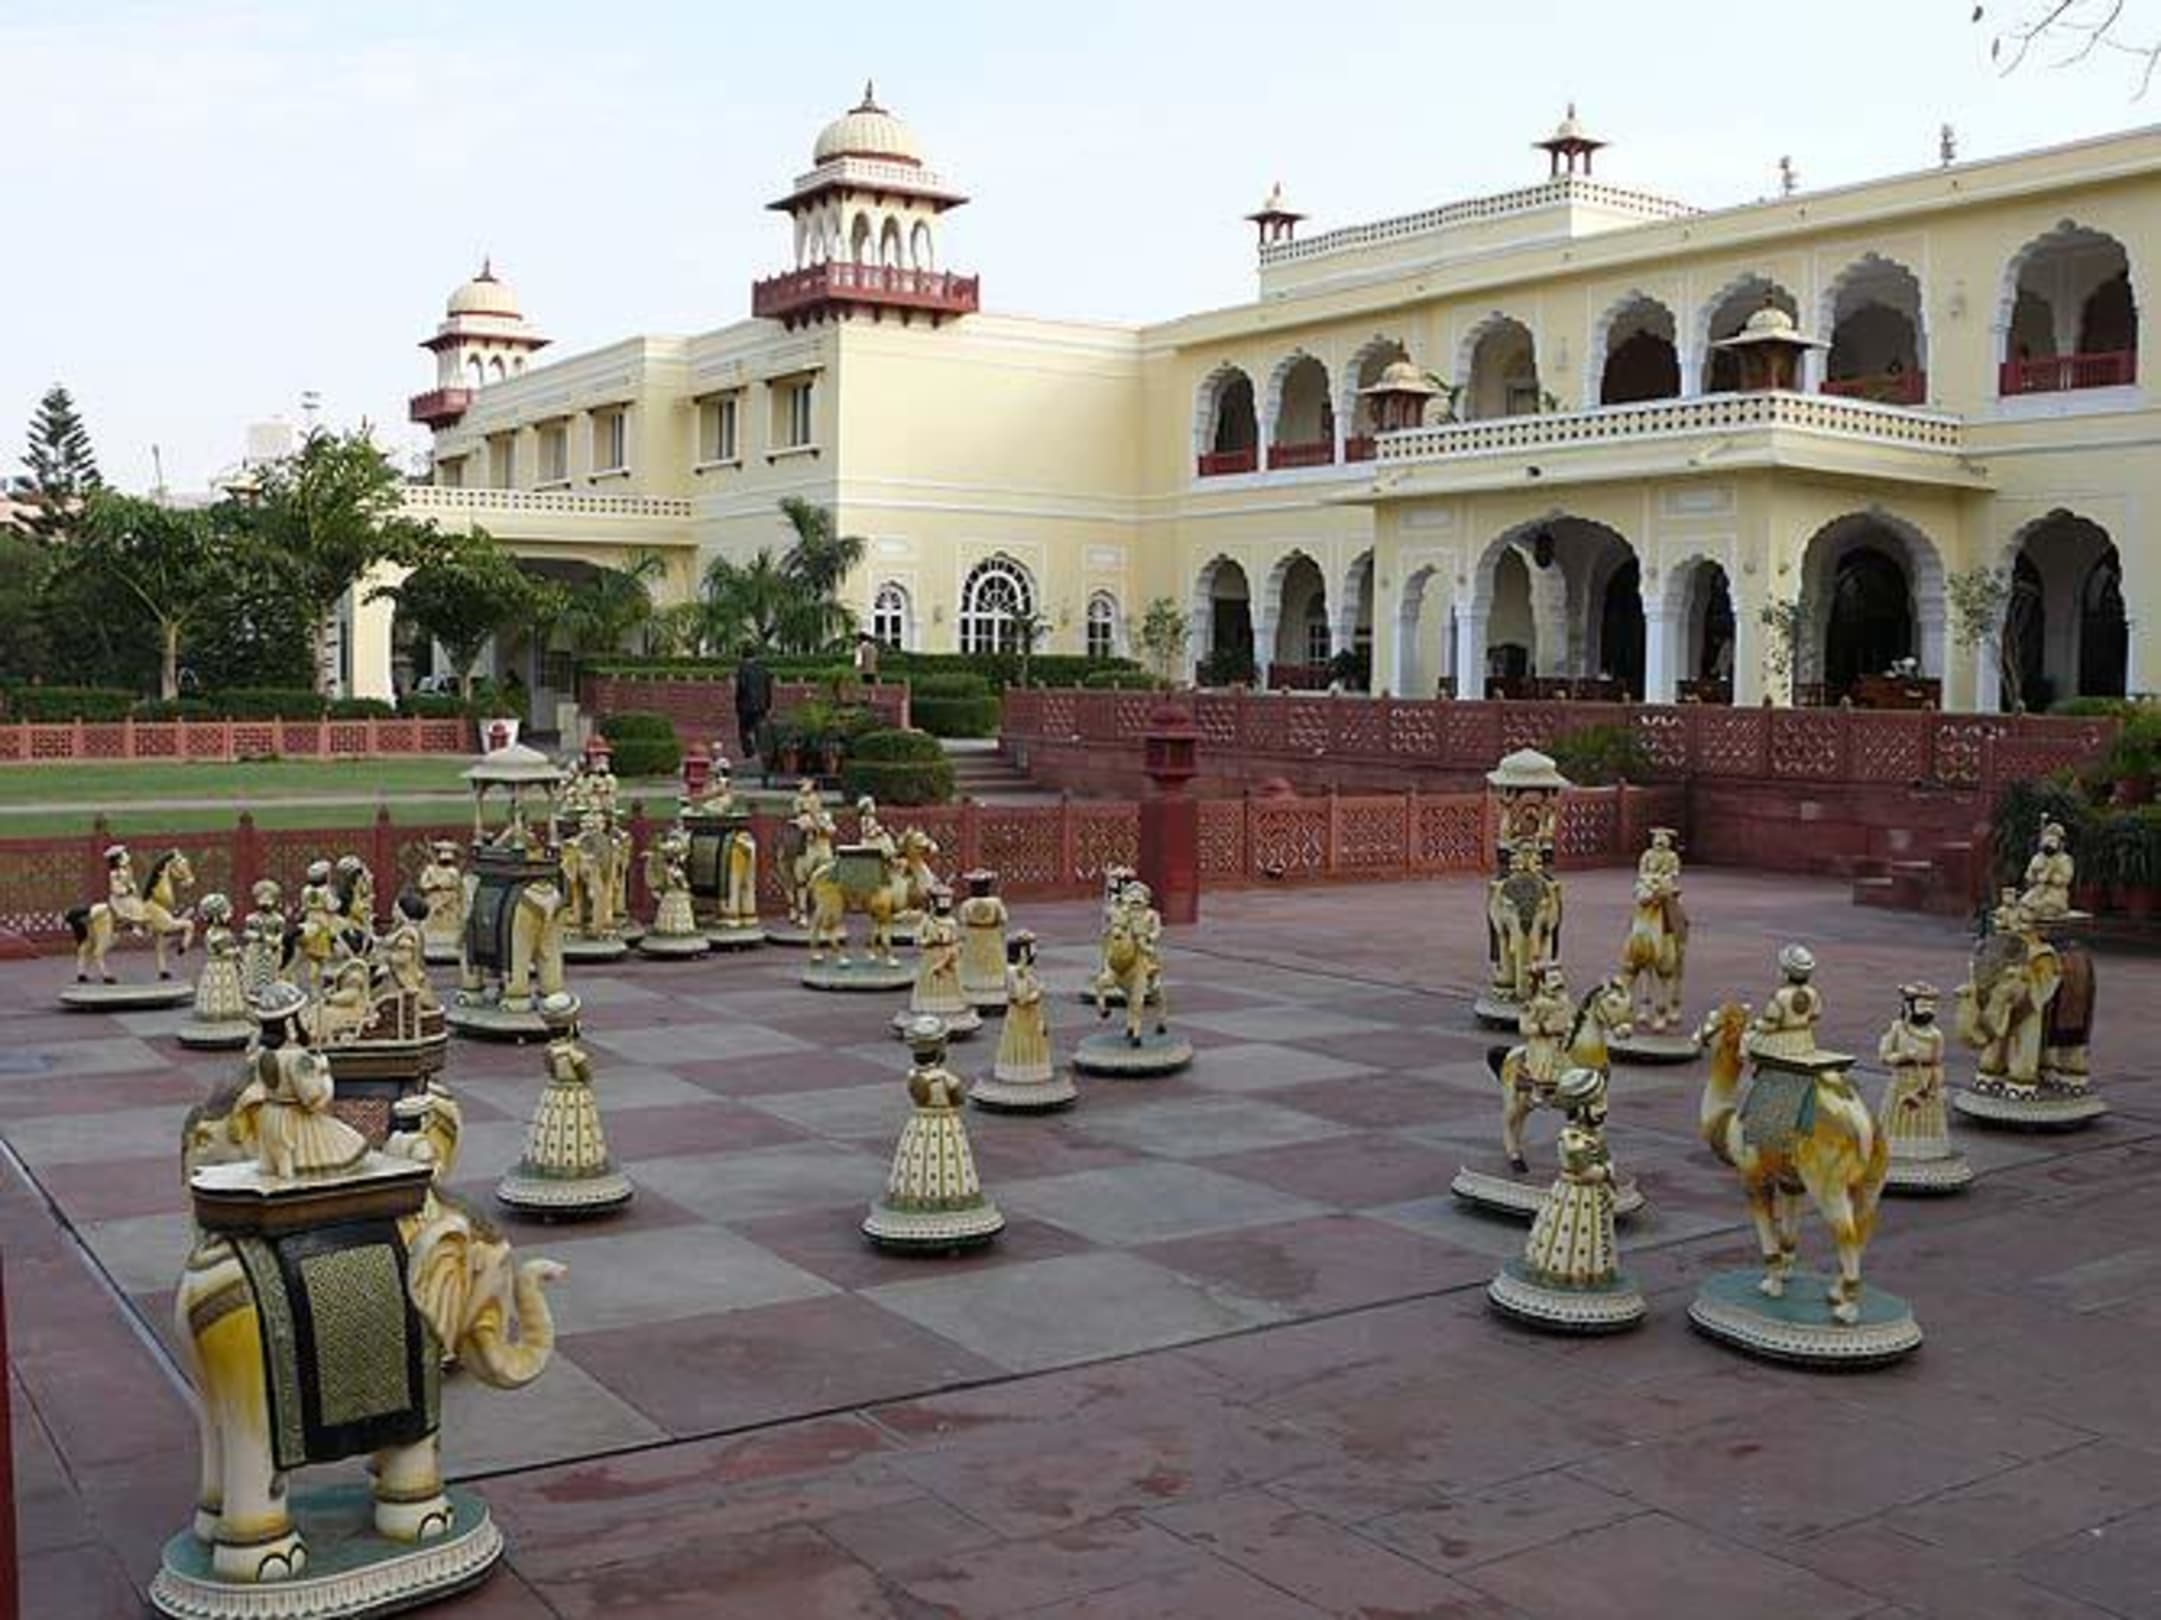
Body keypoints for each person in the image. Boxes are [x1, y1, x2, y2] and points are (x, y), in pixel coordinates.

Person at [735, 645, 774, 762]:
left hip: (746, 705)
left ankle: (749, 752)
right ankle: (761, 752)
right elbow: (768, 688)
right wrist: (768, 705)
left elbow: (741, 688)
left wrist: (738, 704)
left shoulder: (743, 669)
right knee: (759, 728)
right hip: (761, 705)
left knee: (743, 730)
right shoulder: (763, 669)